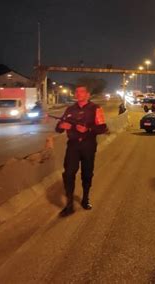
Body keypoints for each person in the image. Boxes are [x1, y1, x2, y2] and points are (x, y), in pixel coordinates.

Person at [55, 85, 108, 216]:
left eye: (81, 92)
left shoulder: (96, 108)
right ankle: (69, 204)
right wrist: (62, 125)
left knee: (87, 173)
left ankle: (85, 198)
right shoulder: (70, 109)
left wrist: (88, 129)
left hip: (88, 145)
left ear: (88, 95)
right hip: (72, 146)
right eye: (77, 92)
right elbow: (58, 128)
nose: (78, 94)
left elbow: (102, 128)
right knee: (68, 174)